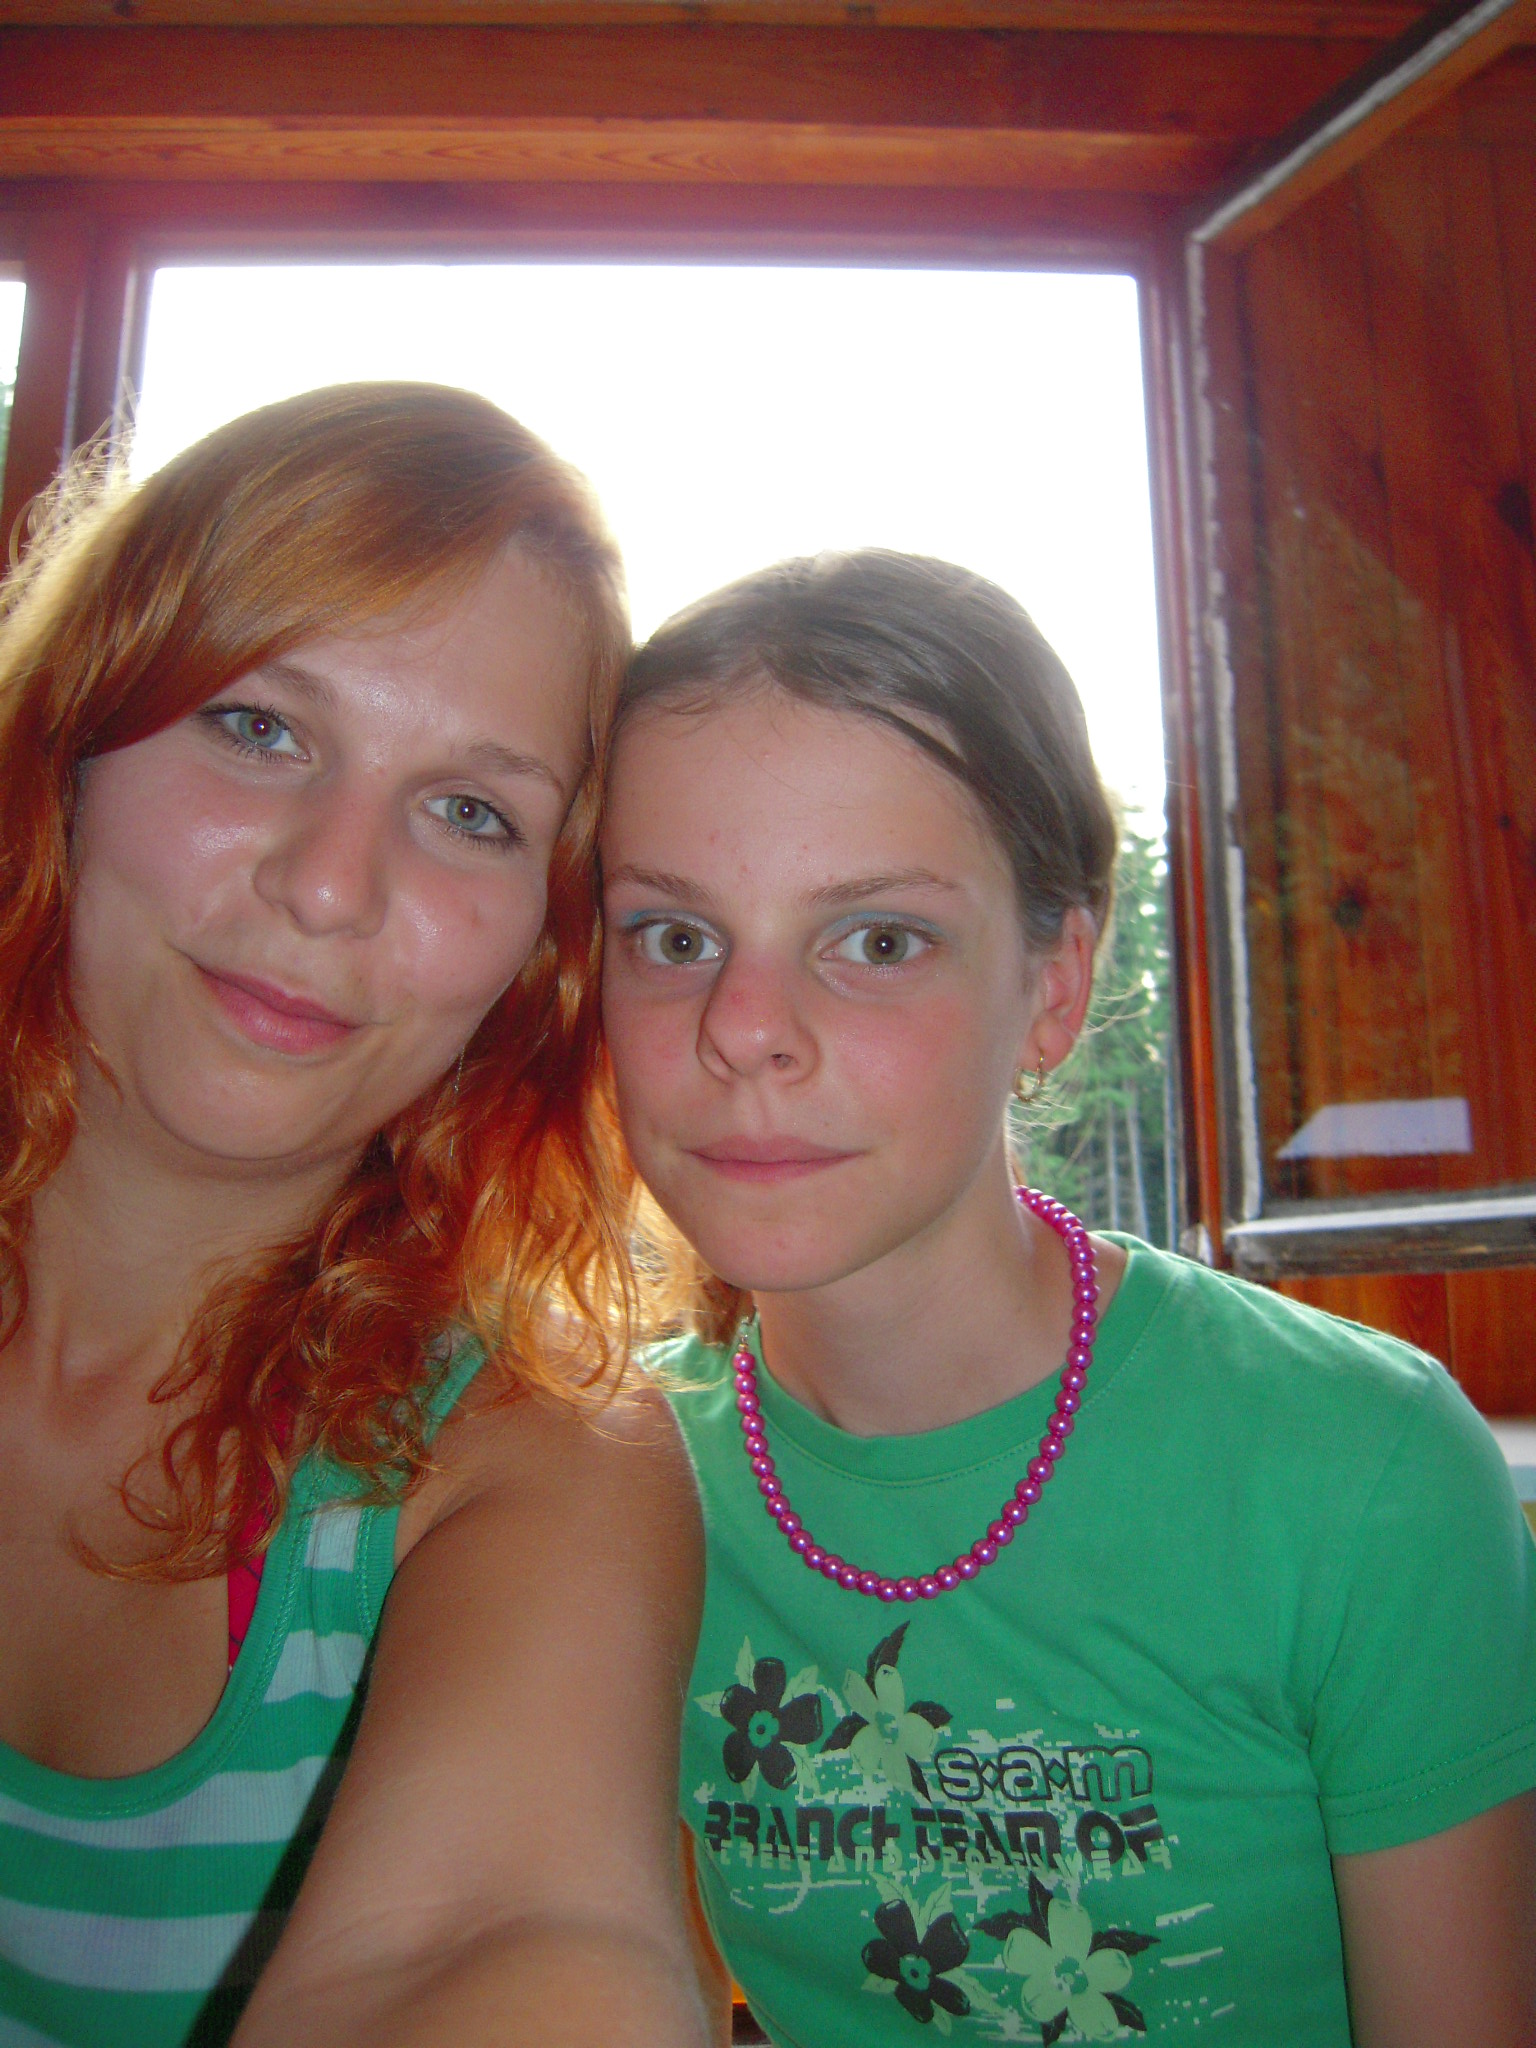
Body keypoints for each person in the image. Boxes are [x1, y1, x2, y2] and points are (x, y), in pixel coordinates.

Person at [598, 549, 1536, 2048]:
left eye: (879, 940)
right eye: (675, 935)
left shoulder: (1360, 1472)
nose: (745, 1028)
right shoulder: (607, 1493)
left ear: (1053, 985)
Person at [0, 384, 707, 2048]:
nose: (330, 883)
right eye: (261, 728)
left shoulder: (527, 1462)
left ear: (541, 953)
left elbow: (504, 1937)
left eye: (472, 812)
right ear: (72, 740)